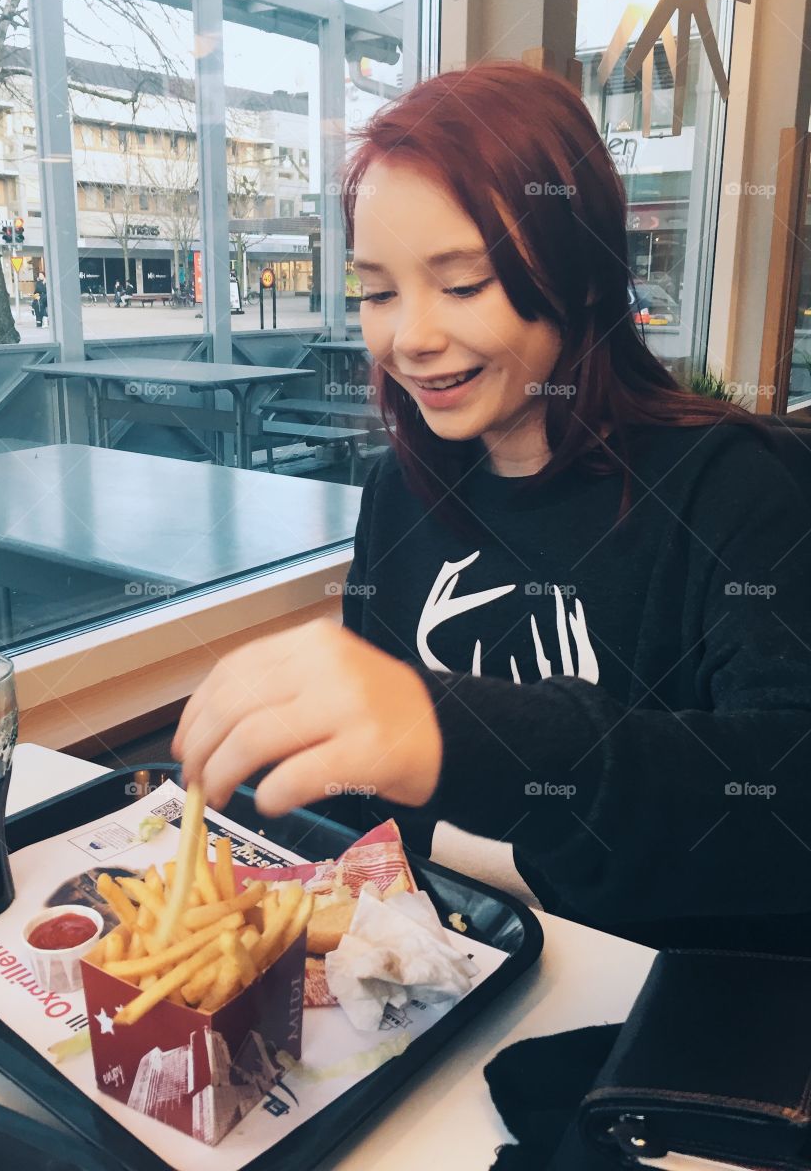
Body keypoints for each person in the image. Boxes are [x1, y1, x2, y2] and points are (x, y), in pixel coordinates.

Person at [172, 60, 811, 956]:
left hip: (645, 1012)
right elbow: (369, 796)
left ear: (585, 277)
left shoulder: (734, 487)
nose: (410, 338)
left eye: (463, 283)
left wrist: (464, 735)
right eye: (380, 291)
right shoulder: (402, 490)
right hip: (434, 974)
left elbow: (785, 802)